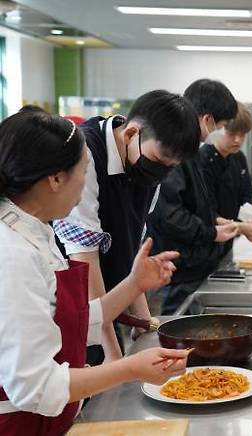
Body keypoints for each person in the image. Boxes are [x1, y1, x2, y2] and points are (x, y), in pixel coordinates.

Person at [0, 109, 190, 436]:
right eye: (85, 171)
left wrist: (133, 285)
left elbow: (73, 322)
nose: (87, 183)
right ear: (55, 179)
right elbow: (35, 387)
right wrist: (127, 368)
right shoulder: (14, 255)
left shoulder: (35, 232)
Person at [52, 90, 200, 364]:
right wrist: (115, 358)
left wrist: (144, 324)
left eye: (171, 166)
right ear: (132, 133)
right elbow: (84, 263)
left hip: (107, 303)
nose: (162, 172)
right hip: (68, 306)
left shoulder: (148, 165)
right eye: (160, 161)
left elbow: (133, 249)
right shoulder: (85, 156)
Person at [147, 79, 243, 316]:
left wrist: (216, 224)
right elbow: (170, 215)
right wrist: (211, 232)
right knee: (175, 329)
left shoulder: (190, 152)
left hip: (193, 262)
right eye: (220, 126)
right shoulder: (175, 151)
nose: (216, 133)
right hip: (180, 264)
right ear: (208, 120)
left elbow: (198, 204)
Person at [201, 101, 252, 257]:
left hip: (229, 242)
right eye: (231, 134)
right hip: (207, 243)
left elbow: (247, 196)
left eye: (243, 134)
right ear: (217, 128)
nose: (238, 140)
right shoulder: (202, 161)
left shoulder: (238, 158)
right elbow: (207, 213)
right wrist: (242, 228)